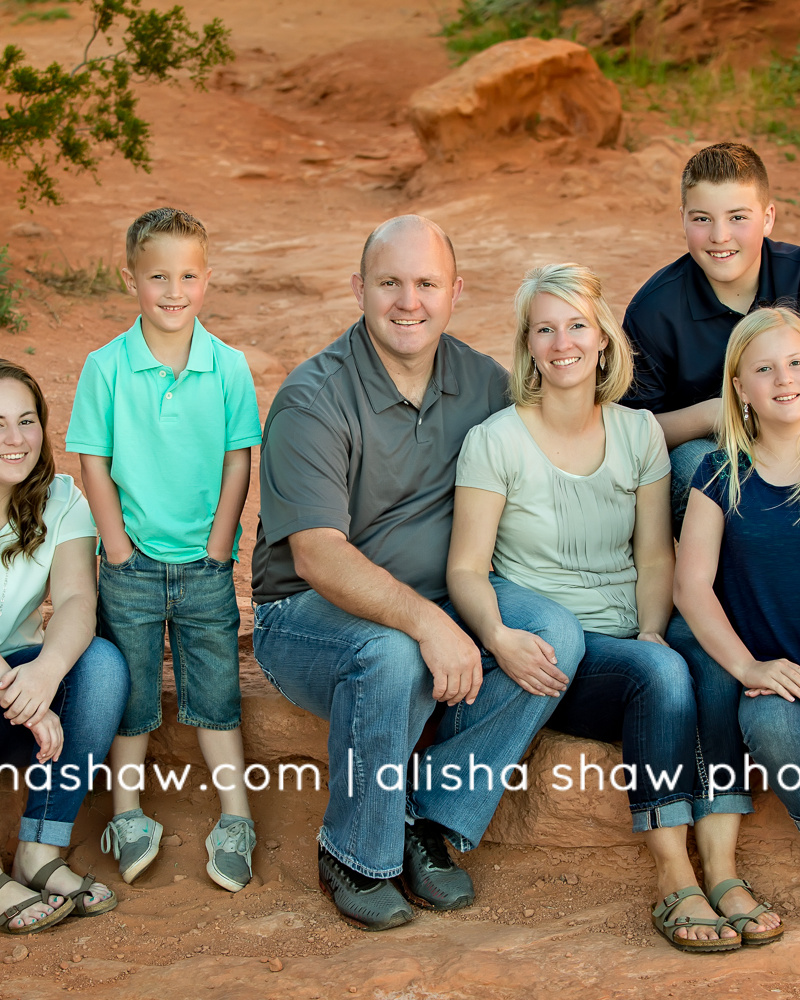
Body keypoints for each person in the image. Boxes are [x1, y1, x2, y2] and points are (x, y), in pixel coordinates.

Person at [251, 215, 585, 931]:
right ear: (359, 289)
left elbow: (564, 437)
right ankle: (354, 851)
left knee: (553, 630)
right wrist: (431, 622)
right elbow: (316, 555)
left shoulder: (482, 382)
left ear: (455, 292)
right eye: (390, 283)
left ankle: (430, 819)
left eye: (427, 283)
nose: (409, 302)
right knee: (392, 651)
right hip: (307, 615)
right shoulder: (313, 397)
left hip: (444, 599)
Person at [448, 262, 782, 952]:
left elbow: (656, 557)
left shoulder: (637, 436)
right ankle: (671, 877)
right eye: (545, 329)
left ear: (603, 339)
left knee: (713, 664)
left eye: (577, 325)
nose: (562, 342)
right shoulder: (496, 440)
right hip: (556, 656)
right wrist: (499, 636)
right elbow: (466, 568)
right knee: (656, 677)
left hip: (634, 629)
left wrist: (656, 629)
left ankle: (720, 867)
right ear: (528, 344)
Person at [65, 207, 263, 891]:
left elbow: (240, 461)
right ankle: (127, 813)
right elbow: (93, 460)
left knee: (215, 689)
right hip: (131, 565)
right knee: (132, 695)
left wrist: (217, 547)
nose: (173, 292)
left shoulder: (229, 367)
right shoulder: (106, 367)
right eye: (157, 277)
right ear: (131, 281)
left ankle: (236, 817)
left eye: (187, 276)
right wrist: (116, 549)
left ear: (206, 280)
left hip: (206, 566)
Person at [675, 305, 800, 935]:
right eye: (765, 369)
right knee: (768, 723)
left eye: (797, 362)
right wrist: (746, 664)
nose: (785, 378)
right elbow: (691, 585)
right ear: (740, 389)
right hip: (777, 678)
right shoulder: (722, 473)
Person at [0, 359, 129, 934]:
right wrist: (17, 688)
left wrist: (45, 675)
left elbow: (78, 599)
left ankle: (38, 849)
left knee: (101, 665)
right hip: (8, 688)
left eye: (26, 421)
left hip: (18, 691)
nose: (15, 440)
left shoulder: (61, 498)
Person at [622, 142, 800, 532]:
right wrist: (714, 414)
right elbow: (629, 430)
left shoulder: (797, 276)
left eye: (738, 217)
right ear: (682, 218)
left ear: (768, 218)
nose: (720, 236)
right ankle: (735, 583)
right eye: (702, 219)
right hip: (719, 452)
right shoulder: (654, 311)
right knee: (697, 466)